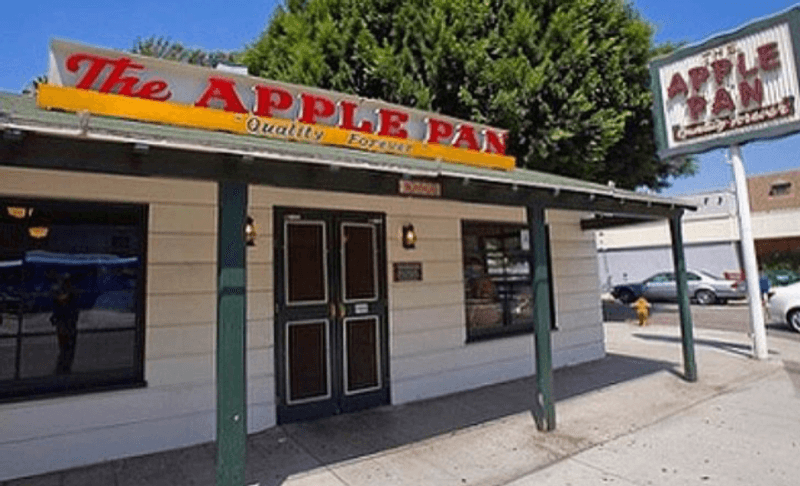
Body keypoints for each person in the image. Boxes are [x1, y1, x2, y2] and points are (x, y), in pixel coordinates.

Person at [51, 275, 80, 374]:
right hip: (63, 323)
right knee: (64, 346)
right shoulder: (60, 293)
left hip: (69, 323)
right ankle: (62, 367)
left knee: (69, 347)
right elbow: (58, 302)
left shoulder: (73, 295)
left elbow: (74, 309)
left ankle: (66, 367)